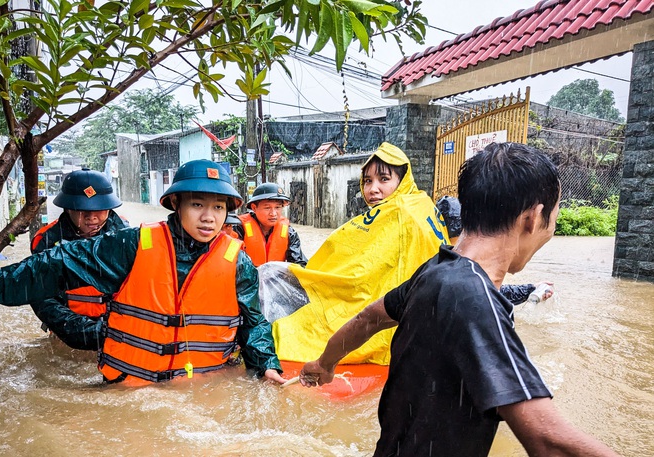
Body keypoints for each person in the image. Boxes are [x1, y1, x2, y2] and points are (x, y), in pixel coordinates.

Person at [300, 143, 619, 457]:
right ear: (533, 219)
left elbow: (368, 318)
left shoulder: (435, 269)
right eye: (555, 216)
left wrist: (323, 363)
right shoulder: (477, 303)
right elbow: (549, 442)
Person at [0, 160, 286, 386]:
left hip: (201, 387)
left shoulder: (238, 262)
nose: (209, 217)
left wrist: (266, 365)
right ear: (176, 203)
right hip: (132, 385)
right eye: (198, 205)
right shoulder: (133, 244)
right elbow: (62, 263)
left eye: (218, 207)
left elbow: (253, 321)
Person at [267, 142, 449, 365]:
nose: (373, 189)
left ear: (402, 181)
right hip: (433, 316)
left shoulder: (399, 212)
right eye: (367, 181)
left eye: (384, 179)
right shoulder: (421, 202)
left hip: (404, 309)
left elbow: (367, 271)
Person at [29, 168, 127, 350]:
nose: (92, 218)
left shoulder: (126, 237)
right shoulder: (47, 241)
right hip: (67, 331)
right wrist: (79, 331)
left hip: (117, 329)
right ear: (68, 208)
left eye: (99, 209)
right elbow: (42, 297)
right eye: (82, 211)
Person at [235, 182, 307, 267]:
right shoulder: (238, 228)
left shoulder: (289, 232)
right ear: (254, 208)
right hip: (248, 278)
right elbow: (232, 262)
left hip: (275, 278)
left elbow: (298, 263)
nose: (273, 213)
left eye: (277, 207)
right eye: (267, 208)